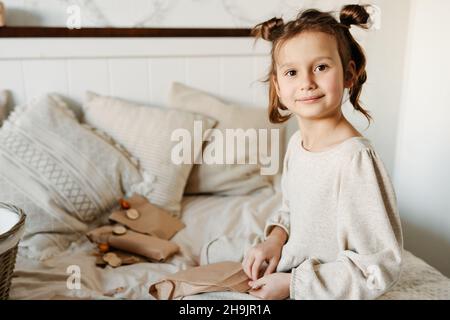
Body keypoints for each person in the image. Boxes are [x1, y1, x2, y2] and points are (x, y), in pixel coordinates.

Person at [242, 4, 403, 300]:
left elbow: (379, 266)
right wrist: (275, 240)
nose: (306, 82)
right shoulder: (296, 146)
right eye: (292, 72)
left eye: (321, 67)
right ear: (278, 85)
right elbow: (292, 210)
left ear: (349, 74)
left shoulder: (354, 159)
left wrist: (294, 286)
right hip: (291, 272)